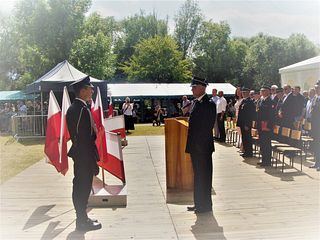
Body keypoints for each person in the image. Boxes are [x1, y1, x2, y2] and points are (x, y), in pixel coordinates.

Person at [66, 76, 102, 231]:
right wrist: (91, 160)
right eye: (89, 88)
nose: (92, 90)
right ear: (82, 91)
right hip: (84, 155)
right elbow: (84, 138)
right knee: (82, 186)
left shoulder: (78, 108)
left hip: (82, 154)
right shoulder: (80, 109)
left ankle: (82, 217)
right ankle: (81, 220)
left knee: (82, 186)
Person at [185, 76, 216, 214]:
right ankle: (198, 203)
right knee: (198, 176)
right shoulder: (196, 103)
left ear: (202, 87)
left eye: (194, 87)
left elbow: (207, 126)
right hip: (195, 147)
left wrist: (199, 145)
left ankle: (206, 205)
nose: (192, 89)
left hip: (203, 148)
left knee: (204, 176)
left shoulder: (209, 104)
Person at [256, 86, 275, 167]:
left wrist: (269, 126)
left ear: (268, 91)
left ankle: (267, 161)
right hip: (260, 125)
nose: (262, 92)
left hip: (266, 126)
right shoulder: (261, 100)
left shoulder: (270, 101)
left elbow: (272, 115)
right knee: (262, 144)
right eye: (261, 91)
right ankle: (264, 160)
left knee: (267, 144)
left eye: (264, 91)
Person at [237, 87, 256, 157]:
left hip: (246, 124)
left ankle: (249, 152)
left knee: (248, 138)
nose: (243, 94)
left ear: (248, 93)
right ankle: (246, 151)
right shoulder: (243, 101)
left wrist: (247, 124)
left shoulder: (250, 102)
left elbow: (250, 115)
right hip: (242, 123)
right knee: (244, 138)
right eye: (243, 92)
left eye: (245, 93)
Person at [309, 81, 320, 171]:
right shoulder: (315, 98)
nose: (316, 90)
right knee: (316, 145)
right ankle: (317, 162)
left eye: (318, 88)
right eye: (316, 88)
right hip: (315, 126)